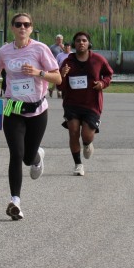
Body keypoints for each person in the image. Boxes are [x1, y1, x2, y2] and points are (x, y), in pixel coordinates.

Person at [0, 13, 61, 221]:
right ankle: (15, 201)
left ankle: (37, 156)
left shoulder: (40, 49)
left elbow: (58, 78)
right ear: (12, 28)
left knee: (27, 157)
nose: (22, 28)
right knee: (16, 154)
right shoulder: (5, 51)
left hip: (37, 109)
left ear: (31, 28)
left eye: (26, 24)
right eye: (18, 24)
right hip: (13, 107)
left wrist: (38, 73)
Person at [58, 32, 113, 176]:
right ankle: (78, 164)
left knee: (87, 136)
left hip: (91, 104)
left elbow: (109, 74)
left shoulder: (98, 59)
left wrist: (102, 83)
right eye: (78, 41)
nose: (81, 43)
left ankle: (87, 143)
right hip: (72, 103)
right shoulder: (68, 62)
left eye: (84, 40)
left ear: (89, 44)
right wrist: (62, 74)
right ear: (74, 44)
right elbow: (60, 86)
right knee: (73, 131)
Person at [49, 34, 66, 99]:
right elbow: (49, 55)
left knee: (60, 78)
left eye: (61, 40)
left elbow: (66, 53)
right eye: (58, 39)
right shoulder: (52, 47)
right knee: (56, 78)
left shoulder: (64, 46)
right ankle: (56, 91)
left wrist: (63, 48)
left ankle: (56, 91)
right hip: (54, 64)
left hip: (62, 65)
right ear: (56, 40)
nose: (59, 41)